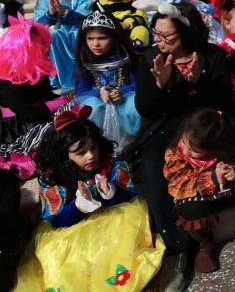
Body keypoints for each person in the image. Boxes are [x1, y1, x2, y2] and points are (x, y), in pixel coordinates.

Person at [132, 2, 235, 286]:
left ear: (186, 33)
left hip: (209, 118)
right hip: (169, 124)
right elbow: (146, 109)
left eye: (166, 36)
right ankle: (179, 246)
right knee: (150, 164)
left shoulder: (212, 55)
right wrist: (161, 86)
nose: (159, 40)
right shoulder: (150, 57)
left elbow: (224, 101)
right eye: (156, 34)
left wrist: (199, 82)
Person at [16, 106, 163, 291]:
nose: (91, 156)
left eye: (93, 147)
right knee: (60, 254)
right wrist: (79, 206)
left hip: (113, 221)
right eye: (80, 152)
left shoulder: (110, 165)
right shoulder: (53, 177)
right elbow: (54, 220)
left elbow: (131, 197)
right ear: (64, 155)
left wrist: (111, 193)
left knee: (119, 238)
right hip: (70, 231)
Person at [164, 108, 235, 273]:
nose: (187, 151)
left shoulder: (227, 145)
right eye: (184, 142)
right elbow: (178, 184)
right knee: (189, 207)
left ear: (213, 148)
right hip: (200, 195)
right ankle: (204, 246)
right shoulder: (176, 151)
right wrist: (213, 179)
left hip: (228, 191)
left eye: (194, 151)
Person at [74, 9, 141, 152]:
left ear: (114, 37)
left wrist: (122, 92)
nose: (95, 44)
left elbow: (139, 83)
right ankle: (98, 148)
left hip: (124, 100)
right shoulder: (83, 60)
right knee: (92, 109)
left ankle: (135, 145)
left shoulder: (126, 57)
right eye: (90, 38)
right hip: (97, 101)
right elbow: (81, 91)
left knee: (134, 106)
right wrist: (99, 93)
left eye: (102, 38)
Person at [0, 16, 68, 154]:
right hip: (18, 128)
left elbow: (47, 95)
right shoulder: (10, 80)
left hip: (38, 115)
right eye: (40, 45)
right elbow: (28, 114)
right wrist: (56, 104)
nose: (46, 50)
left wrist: (63, 100)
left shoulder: (36, 73)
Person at [34, 0, 93, 90]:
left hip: (76, 36)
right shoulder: (45, 0)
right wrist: (51, 14)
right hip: (54, 40)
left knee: (78, 34)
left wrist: (66, 12)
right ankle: (56, 79)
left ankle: (78, 77)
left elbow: (86, 20)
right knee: (52, 34)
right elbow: (38, 26)